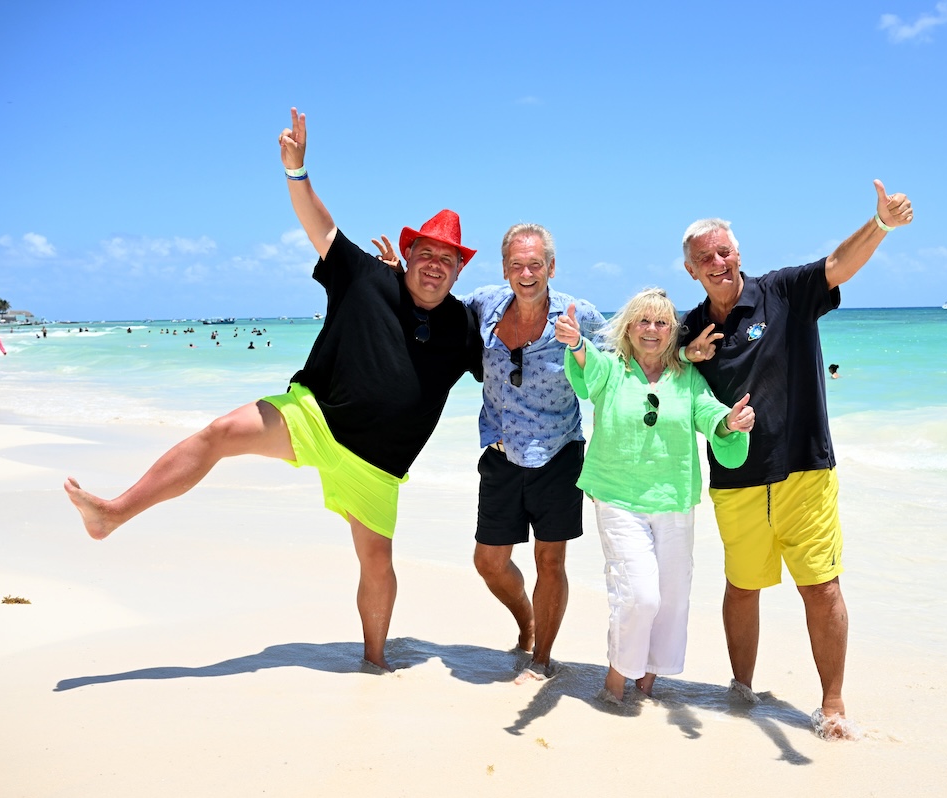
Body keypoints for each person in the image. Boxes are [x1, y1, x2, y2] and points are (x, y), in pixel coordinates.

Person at [64, 107, 483, 673]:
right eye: (427, 253)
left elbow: (509, 371)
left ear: (458, 271)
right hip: (313, 418)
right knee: (218, 433)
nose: (435, 265)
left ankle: (375, 663)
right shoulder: (365, 277)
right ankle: (112, 512)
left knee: (377, 564)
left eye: (448, 259)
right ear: (407, 255)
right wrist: (297, 171)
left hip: (377, 467)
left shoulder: (462, 327)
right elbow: (322, 227)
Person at [678, 179, 913, 739]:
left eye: (724, 251)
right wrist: (687, 354)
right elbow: (651, 379)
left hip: (804, 469)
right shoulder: (689, 327)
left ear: (739, 254)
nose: (717, 262)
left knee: (822, 586)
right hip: (734, 479)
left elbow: (838, 264)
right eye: (704, 257)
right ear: (690, 270)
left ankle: (832, 705)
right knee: (742, 586)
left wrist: (879, 224)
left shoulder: (783, 292)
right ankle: (740, 688)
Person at [374, 223, 606, 682]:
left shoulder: (581, 315)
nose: (526, 273)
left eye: (535, 265)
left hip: (559, 452)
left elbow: (623, 363)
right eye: (517, 265)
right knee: (489, 561)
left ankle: (542, 661)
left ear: (551, 268)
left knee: (549, 561)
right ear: (504, 268)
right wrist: (394, 280)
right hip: (501, 452)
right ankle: (528, 624)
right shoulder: (484, 304)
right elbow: (432, 311)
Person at [555, 288, 755, 703]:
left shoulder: (687, 376)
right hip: (618, 497)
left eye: (661, 322)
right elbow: (587, 370)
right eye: (643, 321)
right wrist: (576, 343)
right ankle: (616, 676)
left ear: (672, 331)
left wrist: (730, 424)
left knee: (673, 598)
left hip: (674, 497)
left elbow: (707, 411)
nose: (652, 329)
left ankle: (648, 679)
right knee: (640, 595)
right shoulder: (612, 367)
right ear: (629, 327)